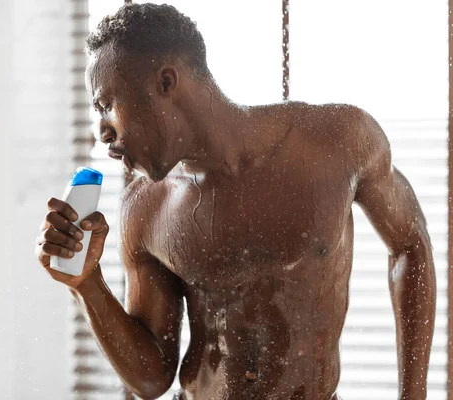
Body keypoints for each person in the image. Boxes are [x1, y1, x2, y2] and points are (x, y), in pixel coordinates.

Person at [35, 3, 436, 399]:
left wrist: (413, 394)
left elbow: (410, 245)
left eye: (105, 105)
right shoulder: (145, 207)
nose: (100, 133)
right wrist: (86, 284)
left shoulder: (337, 142)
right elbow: (153, 377)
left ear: (166, 82)